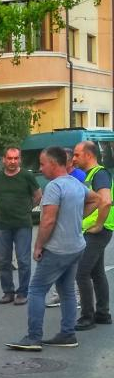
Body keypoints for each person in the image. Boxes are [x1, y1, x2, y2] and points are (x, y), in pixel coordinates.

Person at [6, 146, 99, 351]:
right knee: (67, 291)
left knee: (36, 290)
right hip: (76, 247)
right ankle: (68, 334)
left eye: (42, 164)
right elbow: (96, 199)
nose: (40, 168)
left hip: (58, 250)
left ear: (54, 164)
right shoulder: (75, 184)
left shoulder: (54, 187)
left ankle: (33, 338)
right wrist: (77, 217)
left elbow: (47, 221)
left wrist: (38, 246)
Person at [0, 146, 42, 306]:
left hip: (22, 224)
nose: (13, 161)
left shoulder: (27, 176)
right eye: (9, 158)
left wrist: (28, 208)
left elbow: (38, 195)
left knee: (23, 260)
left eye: (16, 158)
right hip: (2, 225)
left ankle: (22, 293)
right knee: (4, 260)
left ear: (20, 160)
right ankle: (8, 292)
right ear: (4, 160)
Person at [72, 141, 114, 330]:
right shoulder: (87, 175)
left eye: (77, 154)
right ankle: (103, 314)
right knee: (97, 272)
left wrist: (98, 225)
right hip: (92, 229)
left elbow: (105, 201)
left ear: (88, 155)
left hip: (98, 230)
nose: (74, 158)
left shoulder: (100, 174)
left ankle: (87, 317)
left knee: (82, 273)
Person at [46, 149, 85, 307]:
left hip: (76, 230)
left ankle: (76, 296)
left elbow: (90, 199)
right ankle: (59, 295)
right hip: (61, 233)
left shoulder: (79, 177)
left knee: (75, 268)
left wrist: (79, 216)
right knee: (61, 267)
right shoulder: (58, 179)